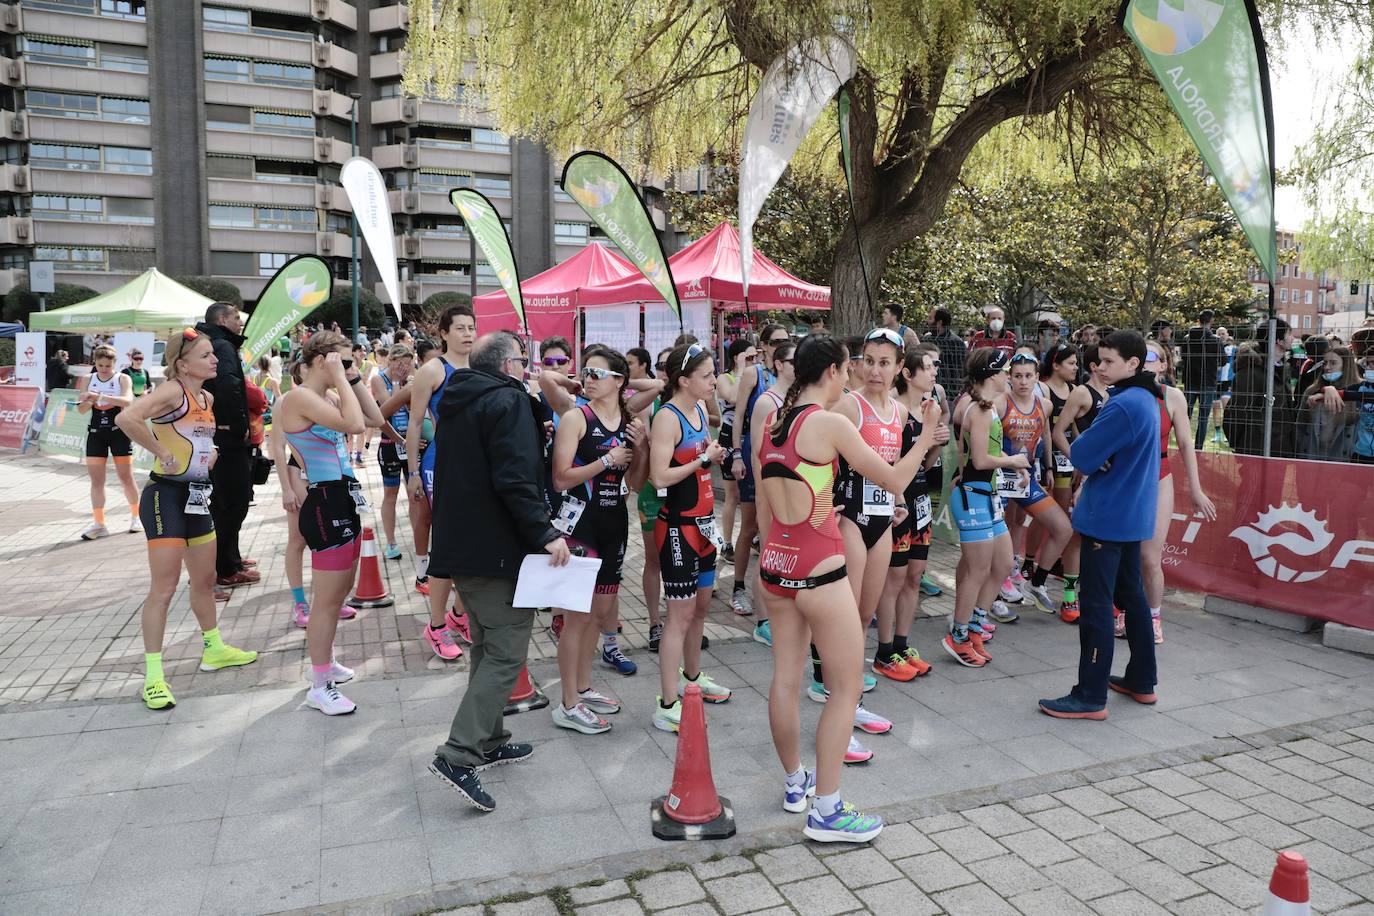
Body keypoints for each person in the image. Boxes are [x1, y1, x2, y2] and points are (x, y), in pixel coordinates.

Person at [757, 334, 939, 843]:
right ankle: (828, 810)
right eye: (850, 367)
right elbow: (895, 479)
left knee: (786, 681)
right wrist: (924, 438)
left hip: (776, 566)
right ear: (835, 371)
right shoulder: (830, 422)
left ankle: (797, 785)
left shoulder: (775, 421)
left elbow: (786, 490)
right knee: (845, 689)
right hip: (820, 571)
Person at [427, 331, 569, 812]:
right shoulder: (506, 403)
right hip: (494, 548)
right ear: (509, 366)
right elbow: (514, 476)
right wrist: (545, 532)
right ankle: (458, 754)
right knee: (507, 651)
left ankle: (487, 740)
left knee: (488, 646)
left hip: (468, 545)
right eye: (524, 362)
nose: (530, 368)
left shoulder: (463, 397)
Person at [115, 327, 257, 709]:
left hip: (196, 498)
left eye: (213, 354)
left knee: (205, 579)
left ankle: (213, 649)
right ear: (183, 363)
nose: (215, 360)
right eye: (207, 355)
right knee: (163, 588)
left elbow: (198, 436)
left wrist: (208, 455)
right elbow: (127, 419)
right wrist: (160, 451)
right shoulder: (174, 390)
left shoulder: (205, 396)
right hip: (165, 497)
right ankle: (154, 677)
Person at [1039, 330, 1161, 720]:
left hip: (1107, 519)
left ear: (1133, 365)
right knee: (1133, 599)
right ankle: (1142, 679)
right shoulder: (1146, 399)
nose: (1099, 367)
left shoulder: (1122, 405)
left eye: (1109, 361)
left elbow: (1084, 456)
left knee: (1096, 607)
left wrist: (1092, 450)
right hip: (1130, 517)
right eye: (1099, 361)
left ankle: (1090, 695)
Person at [549, 347, 648, 735]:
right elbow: (560, 478)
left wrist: (639, 450)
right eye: (586, 372)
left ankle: (584, 687)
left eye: (597, 373)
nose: (588, 379)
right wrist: (605, 462)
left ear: (620, 382)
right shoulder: (576, 417)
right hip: (580, 527)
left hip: (614, 524)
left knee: (598, 614)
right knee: (575, 618)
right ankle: (567, 703)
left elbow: (637, 484)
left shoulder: (631, 422)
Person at [274, 331, 372, 715]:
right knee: (327, 601)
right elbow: (356, 426)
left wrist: (350, 381)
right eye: (343, 362)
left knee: (340, 591)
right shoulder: (298, 397)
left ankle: (325, 662)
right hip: (323, 501)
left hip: (343, 496)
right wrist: (343, 379)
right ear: (321, 361)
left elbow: (373, 418)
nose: (350, 369)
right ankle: (319, 683)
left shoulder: (324, 398)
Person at [649, 342, 731, 732]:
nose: (714, 379)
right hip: (678, 527)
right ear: (683, 380)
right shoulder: (667, 417)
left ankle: (692, 681)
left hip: (704, 524)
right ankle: (666, 703)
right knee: (678, 617)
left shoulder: (699, 408)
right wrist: (703, 459)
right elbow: (659, 476)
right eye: (707, 375)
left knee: (700, 609)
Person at [1114, 339, 1217, 645]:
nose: (1143, 361)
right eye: (1138, 356)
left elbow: (1185, 444)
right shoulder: (1119, 394)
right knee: (1122, 555)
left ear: (1162, 365)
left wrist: (1196, 490)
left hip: (1158, 479)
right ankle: (1123, 611)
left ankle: (1153, 616)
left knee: (1149, 556)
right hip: (1125, 481)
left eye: (1149, 357)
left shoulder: (1172, 396)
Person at [946, 348, 1029, 667]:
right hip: (973, 495)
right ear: (992, 375)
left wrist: (1014, 467)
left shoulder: (989, 407)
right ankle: (959, 633)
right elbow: (980, 460)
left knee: (1002, 564)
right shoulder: (980, 409)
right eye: (1005, 370)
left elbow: (988, 453)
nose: (1009, 375)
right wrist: (1013, 461)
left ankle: (976, 626)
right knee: (977, 570)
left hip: (987, 493)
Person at [407, 304, 477, 659]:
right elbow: (416, 423)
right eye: (460, 328)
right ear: (444, 333)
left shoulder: (481, 367)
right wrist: (414, 471)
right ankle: (435, 626)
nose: (467, 333)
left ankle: (459, 616)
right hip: (441, 465)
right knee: (448, 547)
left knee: (471, 545)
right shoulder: (433, 370)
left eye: (471, 327)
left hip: (476, 468)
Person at [873, 348, 946, 680]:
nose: (933, 373)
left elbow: (924, 466)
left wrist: (935, 445)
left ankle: (902, 645)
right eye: (927, 367)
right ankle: (884, 651)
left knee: (915, 575)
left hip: (921, 501)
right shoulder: (897, 411)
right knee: (894, 578)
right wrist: (897, 499)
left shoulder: (931, 410)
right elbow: (891, 465)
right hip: (897, 502)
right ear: (908, 373)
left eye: (934, 368)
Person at [998, 351, 1074, 618]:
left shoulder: (1045, 404)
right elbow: (983, 442)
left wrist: (1048, 466)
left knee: (1063, 528)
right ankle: (997, 587)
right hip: (1000, 479)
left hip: (1027, 479)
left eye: (1028, 376)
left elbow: (1045, 435)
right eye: (1017, 376)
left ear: (1036, 377)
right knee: (1002, 532)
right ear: (1009, 378)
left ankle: (1037, 582)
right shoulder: (999, 404)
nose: (1023, 381)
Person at [729, 325, 792, 617]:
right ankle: (739, 587)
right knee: (751, 526)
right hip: (753, 453)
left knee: (775, 529)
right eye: (777, 342)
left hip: (779, 459)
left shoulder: (792, 379)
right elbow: (739, 413)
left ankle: (773, 590)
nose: (782, 345)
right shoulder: (754, 374)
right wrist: (736, 455)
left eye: (786, 341)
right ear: (765, 346)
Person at [196, 303, 259, 590]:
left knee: (232, 501)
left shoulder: (212, 343)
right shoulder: (220, 346)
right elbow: (229, 386)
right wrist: (236, 426)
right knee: (231, 502)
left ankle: (230, 558)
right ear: (222, 320)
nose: (240, 323)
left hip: (218, 435)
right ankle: (224, 568)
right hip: (225, 438)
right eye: (236, 318)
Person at [743, 339, 796, 648]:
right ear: (778, 364)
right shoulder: (767, 401)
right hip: (769, 489)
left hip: (791, 490)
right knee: (767, 552)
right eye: (792, 361)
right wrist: (764, 493)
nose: (798, 367)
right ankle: (763, 621)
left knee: (781, 553)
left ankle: (778, 613)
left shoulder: (797, 397)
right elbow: (757, 454)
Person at [77, 343, 141, 539]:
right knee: (97, 481)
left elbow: (128, 400)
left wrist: (99, 396)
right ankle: (99, 524)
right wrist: (88, 400)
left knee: (126, 478)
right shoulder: (88, 379)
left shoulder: (123, 378)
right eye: (100, 365)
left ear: (114, 363)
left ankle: (136, 517)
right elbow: (81, 409)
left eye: (108, 366)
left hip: (118, 433)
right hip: (96, 433)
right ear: (94, 362)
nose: (104, 370)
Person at [636, 347, 674, 654]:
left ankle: (677, 623)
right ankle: (653, 622)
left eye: (670, 365)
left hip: (684, 490)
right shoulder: (651, 403)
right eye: (660, 365)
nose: (665, 371)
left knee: (679, 559)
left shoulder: (696, 401)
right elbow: (642, 449)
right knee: (654, 559)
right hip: (652, 489)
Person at [371, 344, 422, 560]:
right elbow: (388, 405)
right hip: (390, 444)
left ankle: (419, 537)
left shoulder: (414, 378)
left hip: (411, 444)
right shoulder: (378, 379)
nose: (404, 368)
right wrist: (396, 382)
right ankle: (391, 542)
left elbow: (417, 409)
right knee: (390, 494)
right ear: (390, 362)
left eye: (408, 364)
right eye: (399, 364)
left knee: (415, 495)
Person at [715, 338, 756, 565]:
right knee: (733, 495)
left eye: (754, 357)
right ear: (737, 358)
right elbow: (731, 396)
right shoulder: (725, 377)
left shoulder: (758, 375)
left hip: (750, 438)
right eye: (748, 357)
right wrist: (741, 369)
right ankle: (727, 543)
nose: (753, 361)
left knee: (753, 495)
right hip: (729, 439)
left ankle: (753, 536)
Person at [1314, 349, 1374, 464]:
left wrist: (1339, 393)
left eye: (1373, 363)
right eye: (1367, 363)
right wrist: (1327, 389)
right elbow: (1344, 392)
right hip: (1361, 454)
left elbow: (1359, 396)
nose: (1369, 367)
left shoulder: (1362, 391)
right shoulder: (1364, 386)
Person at [1179, 310, 1222, 451]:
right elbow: (1223, 360)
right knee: (1203, 418)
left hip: (1190, 380)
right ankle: (1198, 449)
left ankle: (1183, 446)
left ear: (1198, 320)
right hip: (1207, 382)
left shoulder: (1187, 338)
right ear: (1211, 322)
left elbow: (1183, 357)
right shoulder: (1215, 340)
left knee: (1186, 416)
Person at [927, 306, 966, 393]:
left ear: (939, 322)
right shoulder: (926, 340)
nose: (927, 321)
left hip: (950, 394)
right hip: (929, 390)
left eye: (930, 318)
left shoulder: (956, 342)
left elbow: (961, 372)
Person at [1211, 327, 1237, 445]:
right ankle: (1217, 434)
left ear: (1227, 335)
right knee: (1215, 408)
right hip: (1215, 381)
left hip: (1228, 381)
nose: (1221, 335)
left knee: (1227, 408)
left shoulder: (1234, 349)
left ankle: (1229, 434)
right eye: (1219, 334)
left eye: (1223, 333)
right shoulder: (1213, 347)